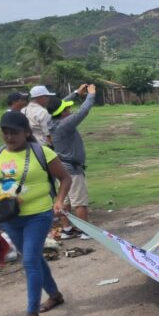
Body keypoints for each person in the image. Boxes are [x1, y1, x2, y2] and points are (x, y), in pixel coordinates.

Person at [0, 111, 71, 316]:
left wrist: (59, 200)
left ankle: (31, 313)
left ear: (26, 132)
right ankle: (54, 295)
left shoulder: (41, 152)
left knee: (28, 261)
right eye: (5, 133)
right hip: (9, 218)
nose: (9, 137)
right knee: (33, 258)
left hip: (38, 215)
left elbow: (65, 178)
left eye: (14, 133)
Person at [47, 83, 96, 240]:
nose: (69, 111)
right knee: (79, 201)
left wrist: (76, 93)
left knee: (64, 200)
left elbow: (59, 104)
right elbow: (84, 111)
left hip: (61, 167)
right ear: (63, 114)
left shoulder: (51, 121)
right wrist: (91, 94)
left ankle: (67, 228)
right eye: (67, 109)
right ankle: (85, 231)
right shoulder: (65, 124)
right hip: (72, 169)